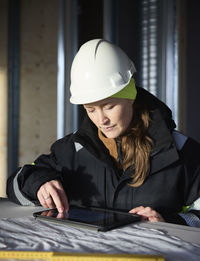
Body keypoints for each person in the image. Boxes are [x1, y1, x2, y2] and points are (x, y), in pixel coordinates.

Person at [7, 39, 200, 227]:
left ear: (130, 97)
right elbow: (15, 183)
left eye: (110, 106)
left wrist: (169, 222)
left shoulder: (181, 151)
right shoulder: (72, 149)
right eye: (91, 110)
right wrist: (39, 183)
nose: (101, 120)